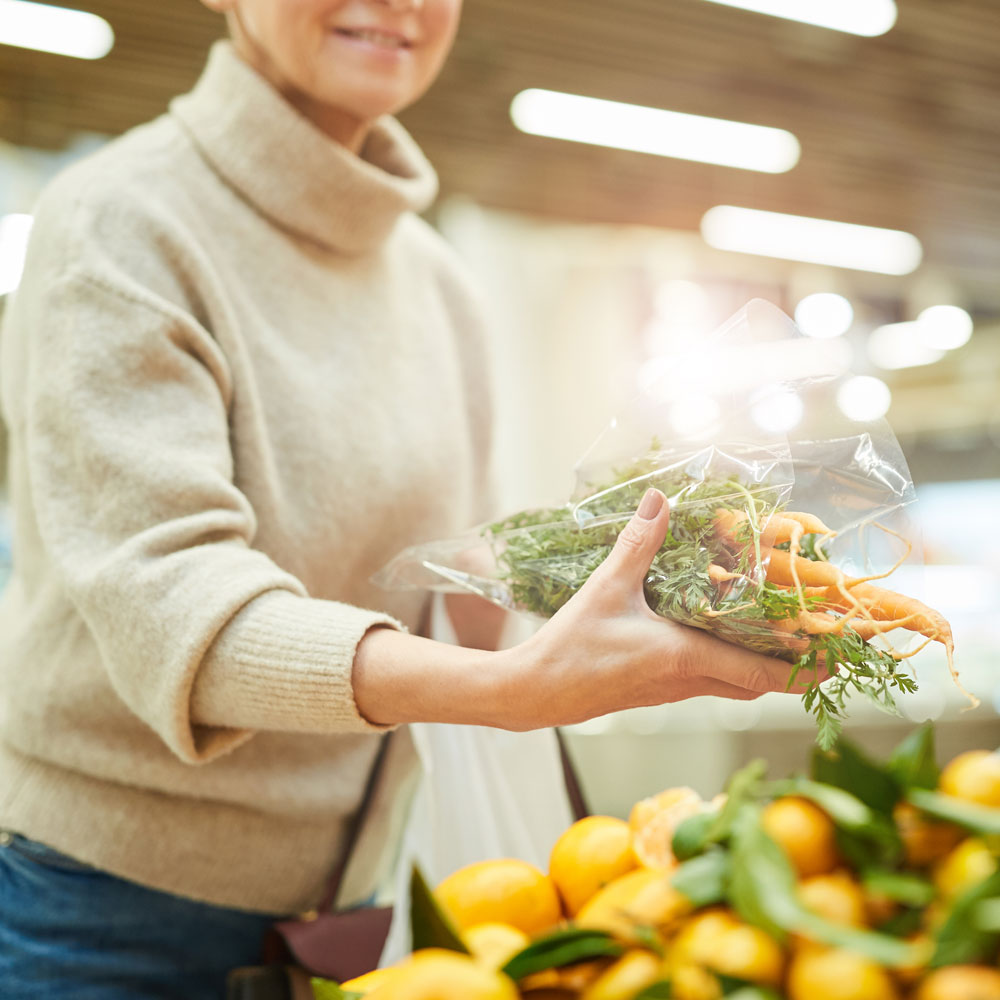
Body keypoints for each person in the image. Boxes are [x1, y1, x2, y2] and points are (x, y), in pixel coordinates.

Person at [0, 1, 812, 996]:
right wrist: (511, 693)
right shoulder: (121, 221)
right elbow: (173, 599)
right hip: (104, 911)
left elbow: (448, 569)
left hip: (353, 906)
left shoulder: (436, 281)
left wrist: (649, 580)